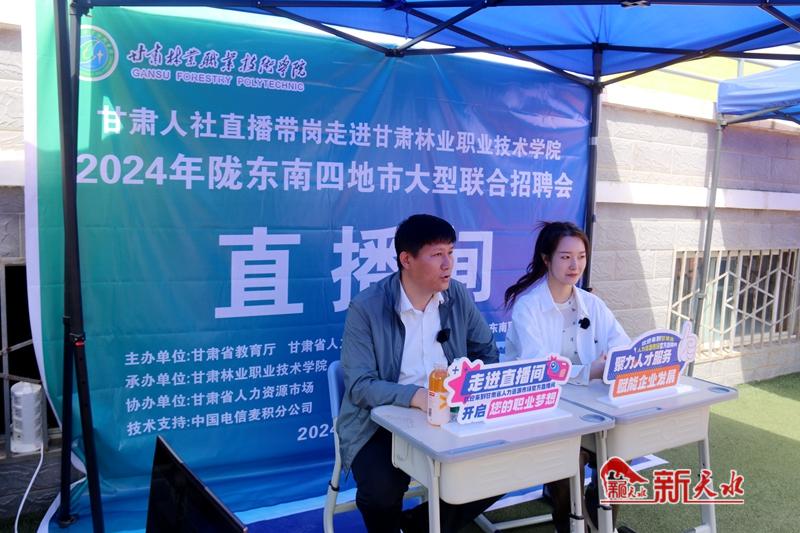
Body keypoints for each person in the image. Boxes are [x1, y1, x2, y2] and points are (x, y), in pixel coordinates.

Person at [337, 214, 500, 533]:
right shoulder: (367, 307)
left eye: (450, 252)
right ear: (406, 260)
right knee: (380, 494)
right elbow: (360, 385)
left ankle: (418, 524)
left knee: (502, 466)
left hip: (451, 414)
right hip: (380, 420)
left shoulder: (457, 296)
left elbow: (486, 352)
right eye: (437, 254)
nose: (448, 264)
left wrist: (471, 393)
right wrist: (416, 396)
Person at [503, 221, 630, 533]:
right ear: (546, 259)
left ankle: (602, 526)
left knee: (618, 456)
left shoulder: (592, 304)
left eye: (581, 256)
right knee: (566, 460)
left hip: (592, 409)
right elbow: (540, 369)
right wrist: (589, 371)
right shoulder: (528, 307)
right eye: (565, 257)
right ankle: (573, 526)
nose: (575, 265)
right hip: (543, 411)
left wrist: (612, 363)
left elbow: (622, 346)